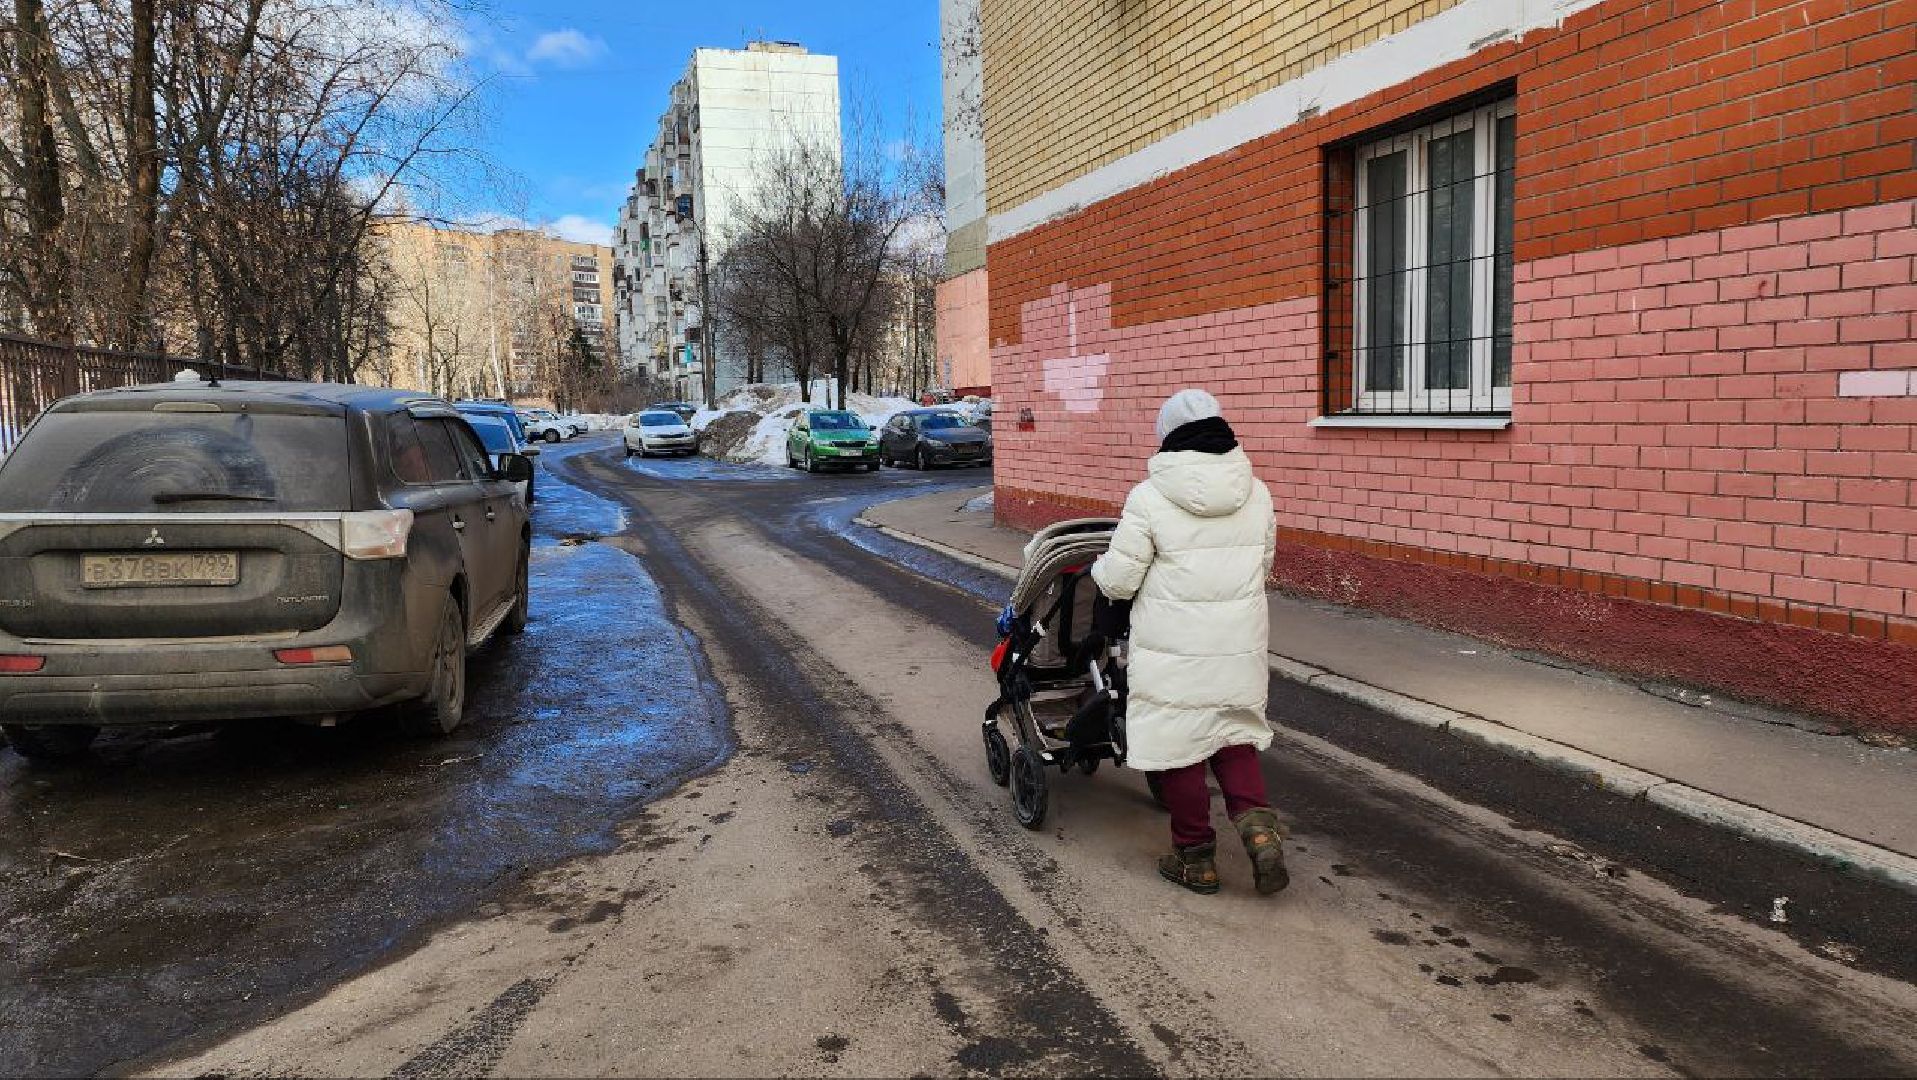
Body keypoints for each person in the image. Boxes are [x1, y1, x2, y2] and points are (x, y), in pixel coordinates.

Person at [1090, 388, 1286, 895]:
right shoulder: (1257, 492)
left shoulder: (1150, 497)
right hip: (1239, 639)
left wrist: (1098, 571)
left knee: (1178, 744)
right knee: (1234, 733)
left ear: (1167, 437)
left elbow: (1120, 581)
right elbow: (1263, 565)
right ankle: (1260, 833)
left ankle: (1195, 858)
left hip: (1173, 645)